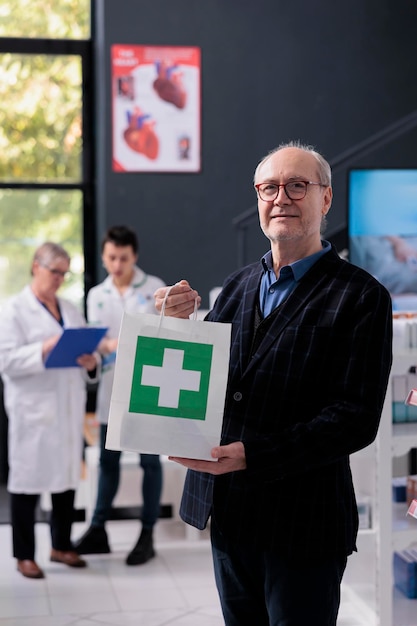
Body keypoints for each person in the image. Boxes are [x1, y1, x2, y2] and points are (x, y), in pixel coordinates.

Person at [154, 141, 393, 625]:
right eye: (269, 187)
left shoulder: (362, 297)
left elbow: (354, 419)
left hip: (305, 523)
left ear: (325, 199)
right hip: (229, 512)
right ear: (258, 198)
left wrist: (252, 454)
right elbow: (213, 379)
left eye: (297, 185)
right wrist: (174, 326)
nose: (281, 197)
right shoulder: (238, 286)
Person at [0, 242, 98, 579]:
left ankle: (61, 545)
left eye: (64, 273)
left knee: (66, 481)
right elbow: (6, 360)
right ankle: (24, 555)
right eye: (54, 272)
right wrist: (44, 348)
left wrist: (90, 362)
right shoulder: (13, 310)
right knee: (27, 483)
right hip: (33, 412)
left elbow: (88, 354)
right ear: (35, 267)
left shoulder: (70, 309)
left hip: (67, 408)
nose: (59, 279)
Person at [74, 225, 166, 565]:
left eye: (123, 258)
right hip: (112, 387)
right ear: (103, 256)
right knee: (107, 461)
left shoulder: (155, 288)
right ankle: (97, 529)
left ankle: (147, 534)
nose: (116, 264)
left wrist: (120, 342)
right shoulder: (97, 295)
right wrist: (100, 350)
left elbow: (162, 336)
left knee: (148, 462)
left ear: (134, 257)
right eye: (111, 257)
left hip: (147, 386)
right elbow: (97, 343)